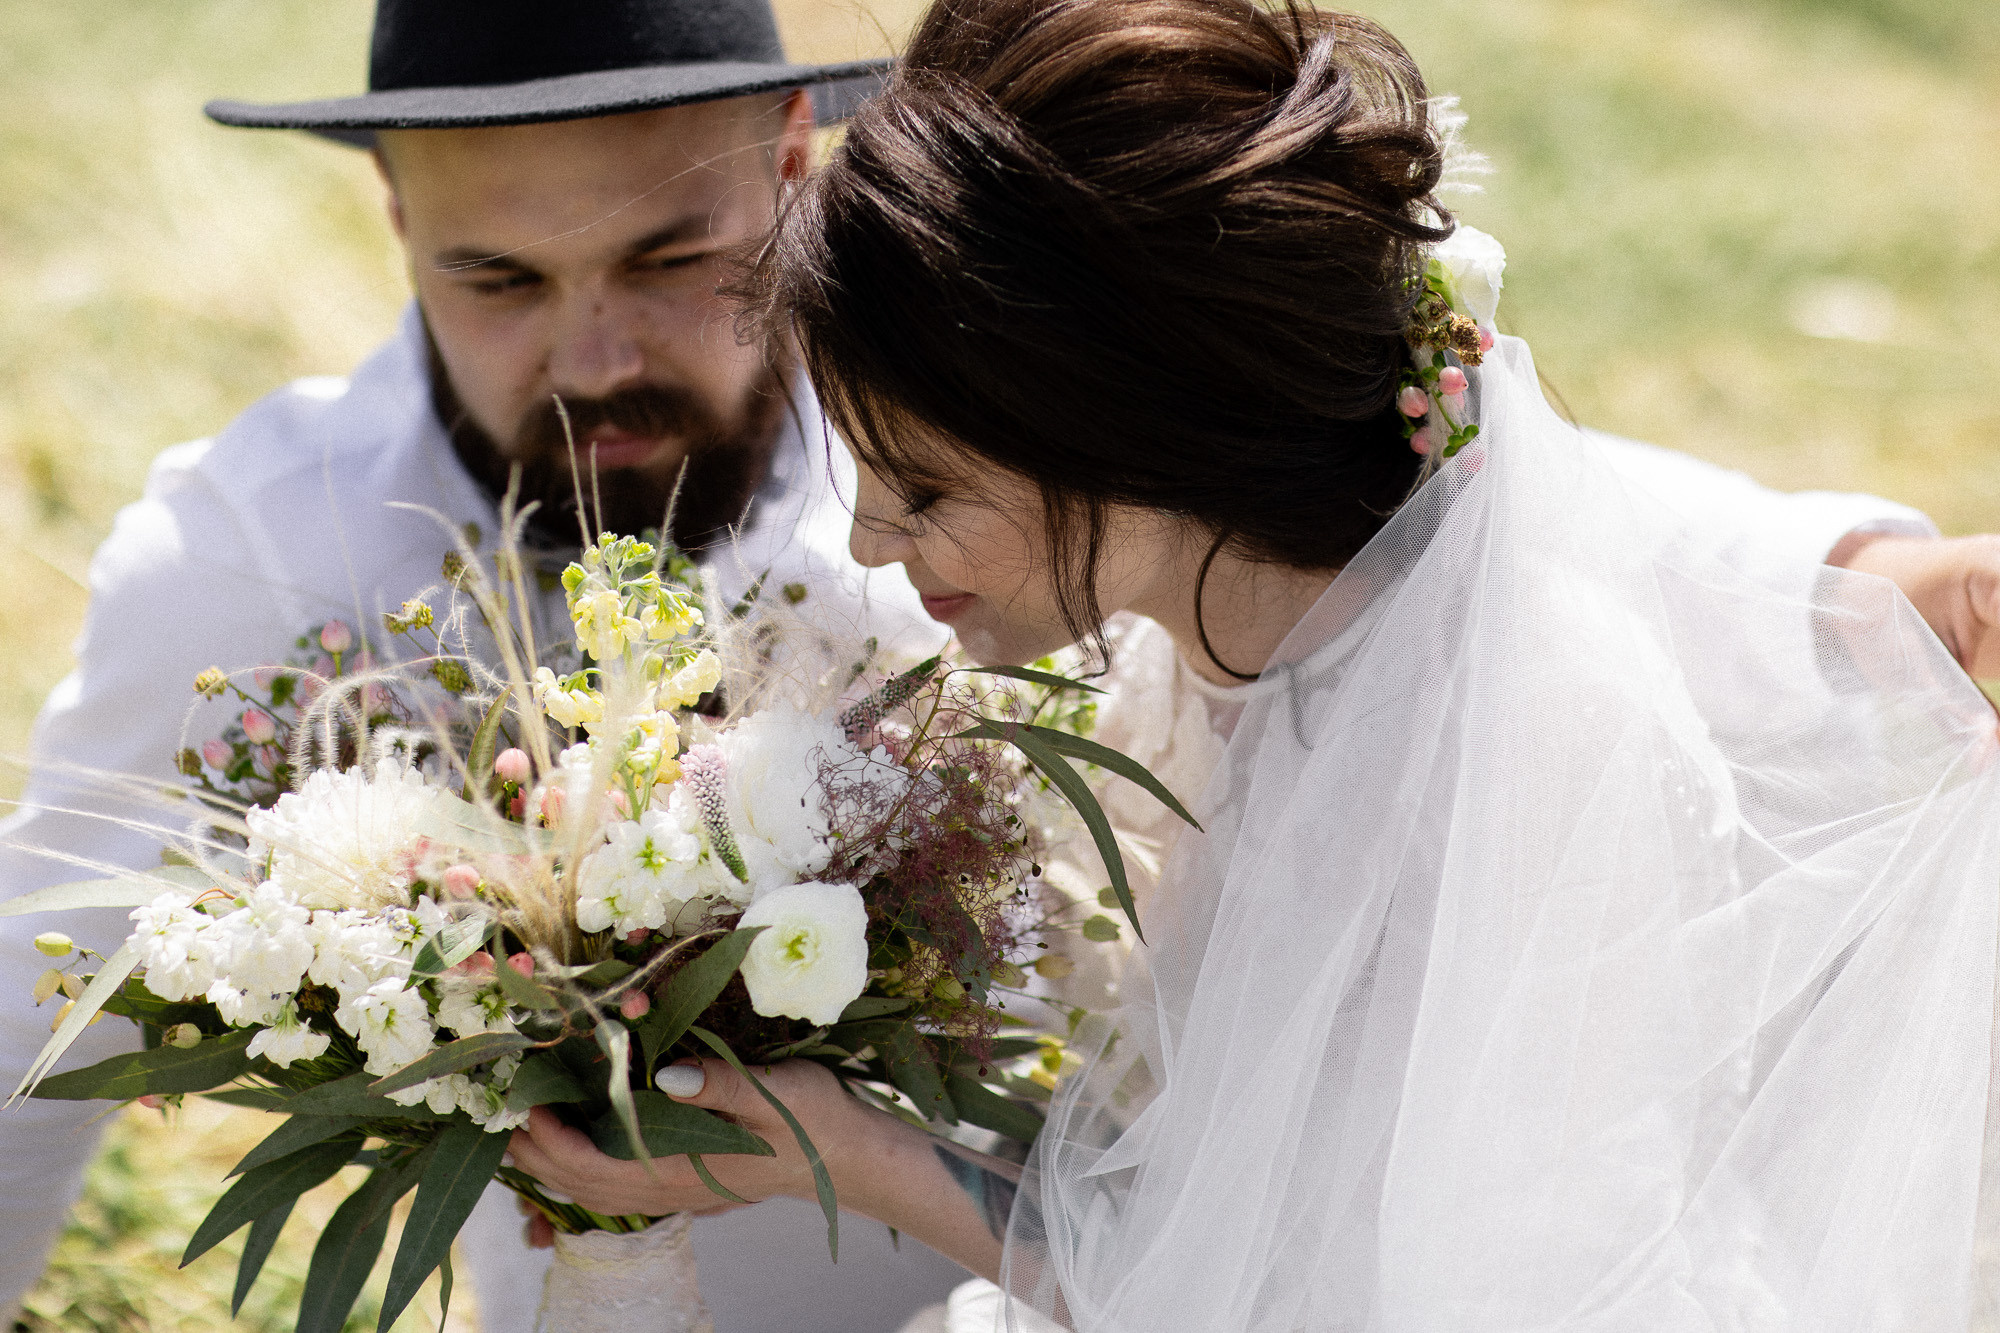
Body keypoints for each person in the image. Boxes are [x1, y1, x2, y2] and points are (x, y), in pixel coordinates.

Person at [507, 0, 2000, 1328]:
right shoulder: (1288, 584)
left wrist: (868, 1160)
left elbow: (1289, 1293)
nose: (874, 540)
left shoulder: (1478, 776)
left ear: (1143, 438)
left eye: (929, 486)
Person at [0, 2, 973, 1329]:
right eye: (500, 281)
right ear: (398, 223)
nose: (596, 361)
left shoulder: (1006, 476)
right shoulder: (254, 550)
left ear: (793, 164)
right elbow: (29, 1030)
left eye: (671, 257)